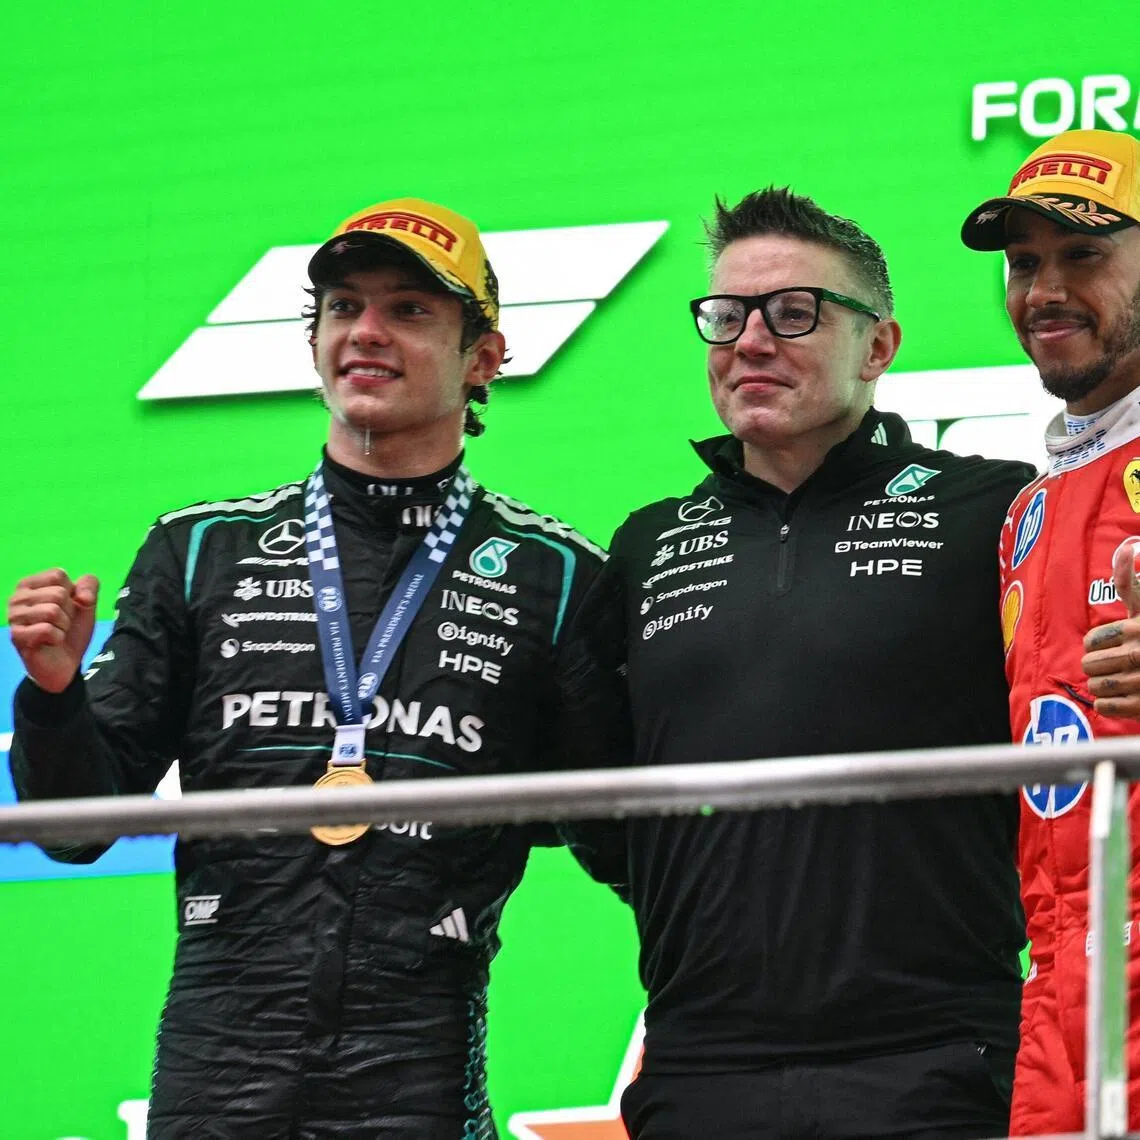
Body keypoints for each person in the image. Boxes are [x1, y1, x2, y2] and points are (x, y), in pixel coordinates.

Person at [6, 197, 628, 1138]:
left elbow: (623, 840)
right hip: (218, 1052)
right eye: (344, 306)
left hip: (420, 1049)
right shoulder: (202, 548)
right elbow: (73, 831)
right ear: (314, 341)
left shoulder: (557, 575)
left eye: (411, 310)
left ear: (484, 358)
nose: (367, 332)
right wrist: (53, 695)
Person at [606, 187, 1036, 1139]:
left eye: (793, 312)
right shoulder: (644, 545)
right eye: (726, 316)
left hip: (936, 1052)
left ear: (878, 346)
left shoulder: (997, 510)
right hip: (700, 1058)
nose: (751, 341)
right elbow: (603, 808)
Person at [961, 127, 1140, 1136]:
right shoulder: (1031, 506)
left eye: (1085, 254)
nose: (1044, 289)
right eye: (1024, 263)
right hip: (1061, 995)